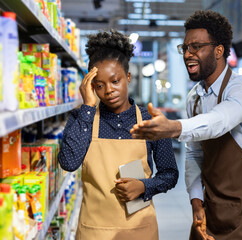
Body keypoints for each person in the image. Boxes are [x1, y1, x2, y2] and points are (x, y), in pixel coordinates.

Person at [131, 10, 242, 240]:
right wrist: (196, 201)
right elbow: (195, 154)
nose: (188, 54)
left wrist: (174, 128)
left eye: (196, 47)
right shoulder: (195, 98)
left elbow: (218, 121)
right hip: (213, 202)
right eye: (185, 47)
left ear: (219, 50)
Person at [59, 30, 178, 240]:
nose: (109, 90)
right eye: (99, 85)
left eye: (115, 81)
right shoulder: (82, 118)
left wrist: (144, 186)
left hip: (140, 230)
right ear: (90, 86)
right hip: (94, 231)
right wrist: (88, 106)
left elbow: (169, 173)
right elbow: (69, 162)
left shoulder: (149, 120)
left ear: (128, 77)